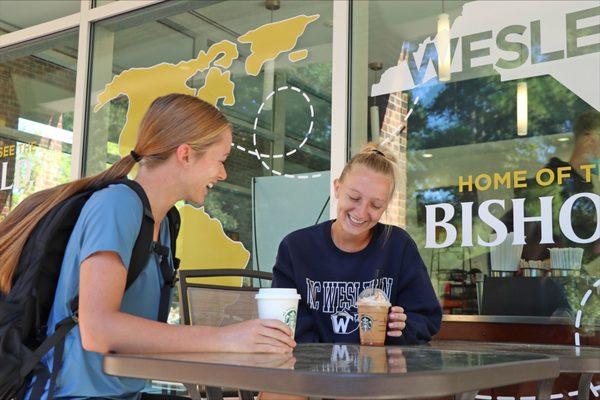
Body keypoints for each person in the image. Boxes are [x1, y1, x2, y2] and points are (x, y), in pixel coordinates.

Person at [0, 94, 295, 399]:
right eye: (220, 161)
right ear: (185, 155)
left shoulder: (165, 222)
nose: (223, 174)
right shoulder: (117, 205)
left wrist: (237, 342)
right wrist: (226, 338)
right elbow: (97, 330)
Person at [272, 142, 442, 345]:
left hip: (380, 372)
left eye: (375, 205)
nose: (361, 213)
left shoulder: (398, 246)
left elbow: (426, 319)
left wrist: (404, 327)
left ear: (385, 206)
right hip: (311, 372)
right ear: (337, 188)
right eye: (354, 197)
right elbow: (285, 321)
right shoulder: (296, 248)